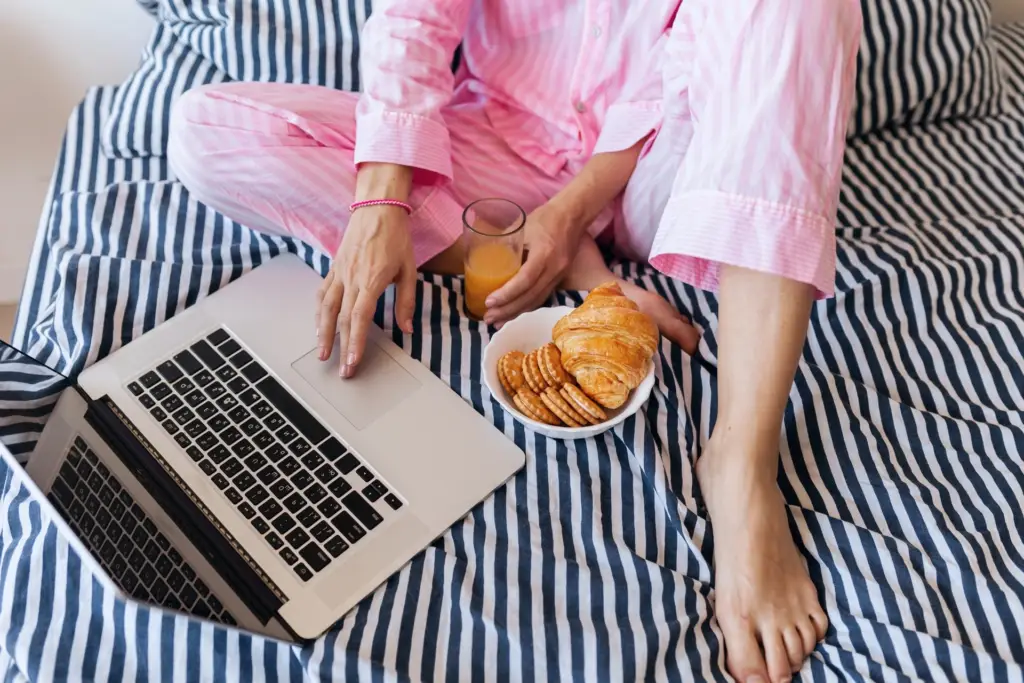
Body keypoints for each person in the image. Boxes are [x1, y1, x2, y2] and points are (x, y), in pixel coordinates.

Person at [168, 0, 861, 679]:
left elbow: (676, 65)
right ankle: (522, 245)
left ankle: (740, 462)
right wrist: (381, 200)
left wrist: (569, 214)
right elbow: (415, 18)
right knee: (209, 129)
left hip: (654, 171)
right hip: (492, 146)